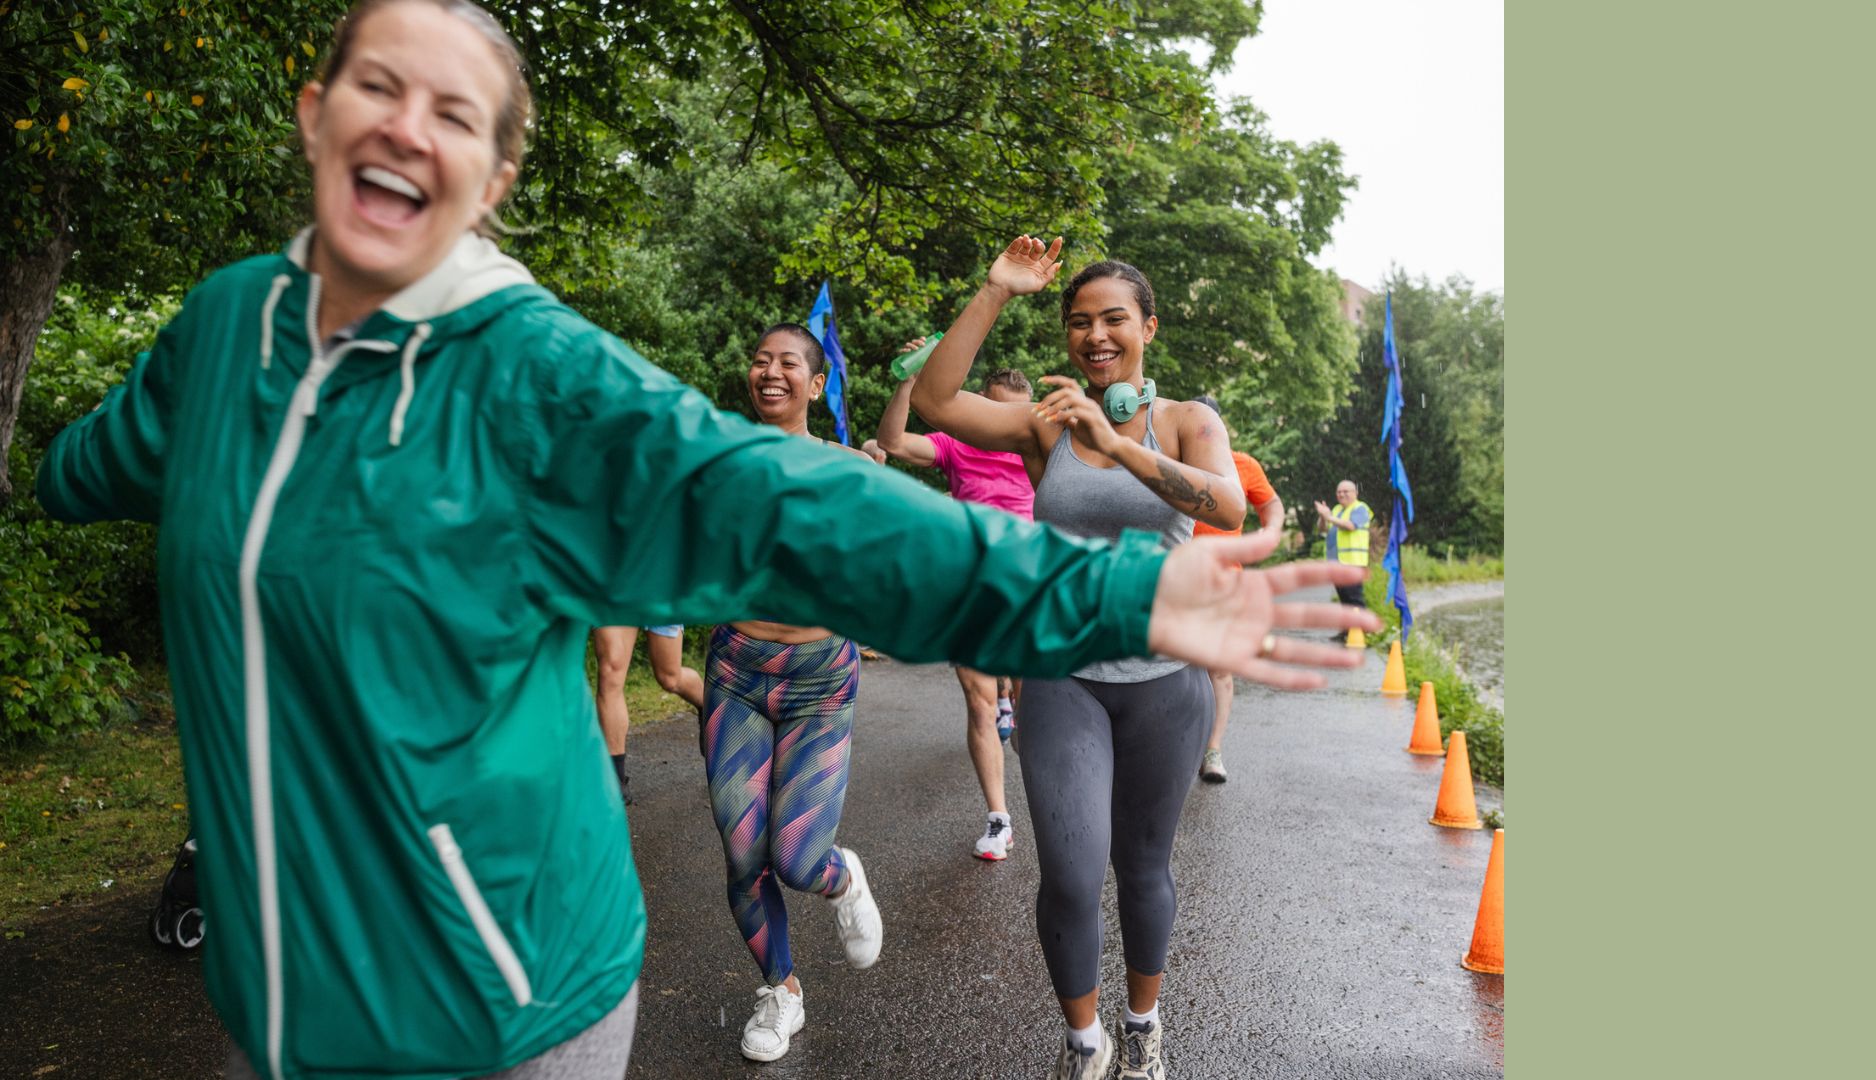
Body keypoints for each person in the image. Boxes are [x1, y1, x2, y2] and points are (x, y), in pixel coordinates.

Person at [33, 3, 1376, 1074]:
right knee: (750, 850)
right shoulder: (226, 327)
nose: (405, 128)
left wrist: (1122, 595)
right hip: (275, 1005)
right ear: (314, 113)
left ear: (494, 177)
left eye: (454, 112)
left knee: (845, 846)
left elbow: (805, 506)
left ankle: (1061, 1002)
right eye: (377, 86)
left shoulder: (533, 377)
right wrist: (48, 472)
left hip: (493, 1008)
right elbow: (108, 454)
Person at [911, 237, 1365, 1080]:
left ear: (1147, 326)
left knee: (1145, 867)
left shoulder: (1191, 420)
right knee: (1074, 874)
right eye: (1079, 323)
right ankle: (1085, 1044)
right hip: (1063, 678)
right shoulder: (1049, 422)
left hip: (1167, 681)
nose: (1095, 335)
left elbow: (1227, 505)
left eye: (1113, 318)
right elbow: (937, 402)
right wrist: (996, 290)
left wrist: (1121, 447)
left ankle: (1143, 1027)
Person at [701, 322, 887, 1063]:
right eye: (759, 360)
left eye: (789, 364)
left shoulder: (848, 470)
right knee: (743, 853)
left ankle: (842, 879)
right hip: (736, 672)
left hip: (819, 680)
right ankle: (781, 991)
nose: (769, 372)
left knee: (798, 857)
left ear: (817, 386)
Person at [876, 359, 1035, 861]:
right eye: (991, 412)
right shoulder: (955, 445)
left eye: (1013, 418)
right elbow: (894, 441)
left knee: (1031, 718)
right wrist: (909, 379)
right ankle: (999, 819)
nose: (1002, 427)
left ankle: (1040, 772)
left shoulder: (1040, 448)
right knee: (979, 702)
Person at [1188, 395, 1286, 785]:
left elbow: (1271, 503)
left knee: (1219, 669)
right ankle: (1173, 748)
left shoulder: (1242, 465)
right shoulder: (1170, 462)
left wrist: (1272, 530)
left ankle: (1213, 751)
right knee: (1175, 667)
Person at [590, 625, 703, 802]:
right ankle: (614, 780)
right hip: (615, 596)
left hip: (658, 596)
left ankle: (707, 705)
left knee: (669, 678)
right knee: (610, 672)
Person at [1315, 479, 1373, 635]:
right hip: (1337, 563)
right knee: (1344, 600)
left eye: (1345, 491)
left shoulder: (1361, 508)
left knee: (1354, 599)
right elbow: (1323, 530)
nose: (1341, 494)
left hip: (1353, 563)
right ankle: (1347, 631)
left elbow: (1350, 526)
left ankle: (1363, 632)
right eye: (1339, 492)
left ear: (1355, 493)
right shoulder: (1336, 510)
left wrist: (1329, 517)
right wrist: (1322, 516)